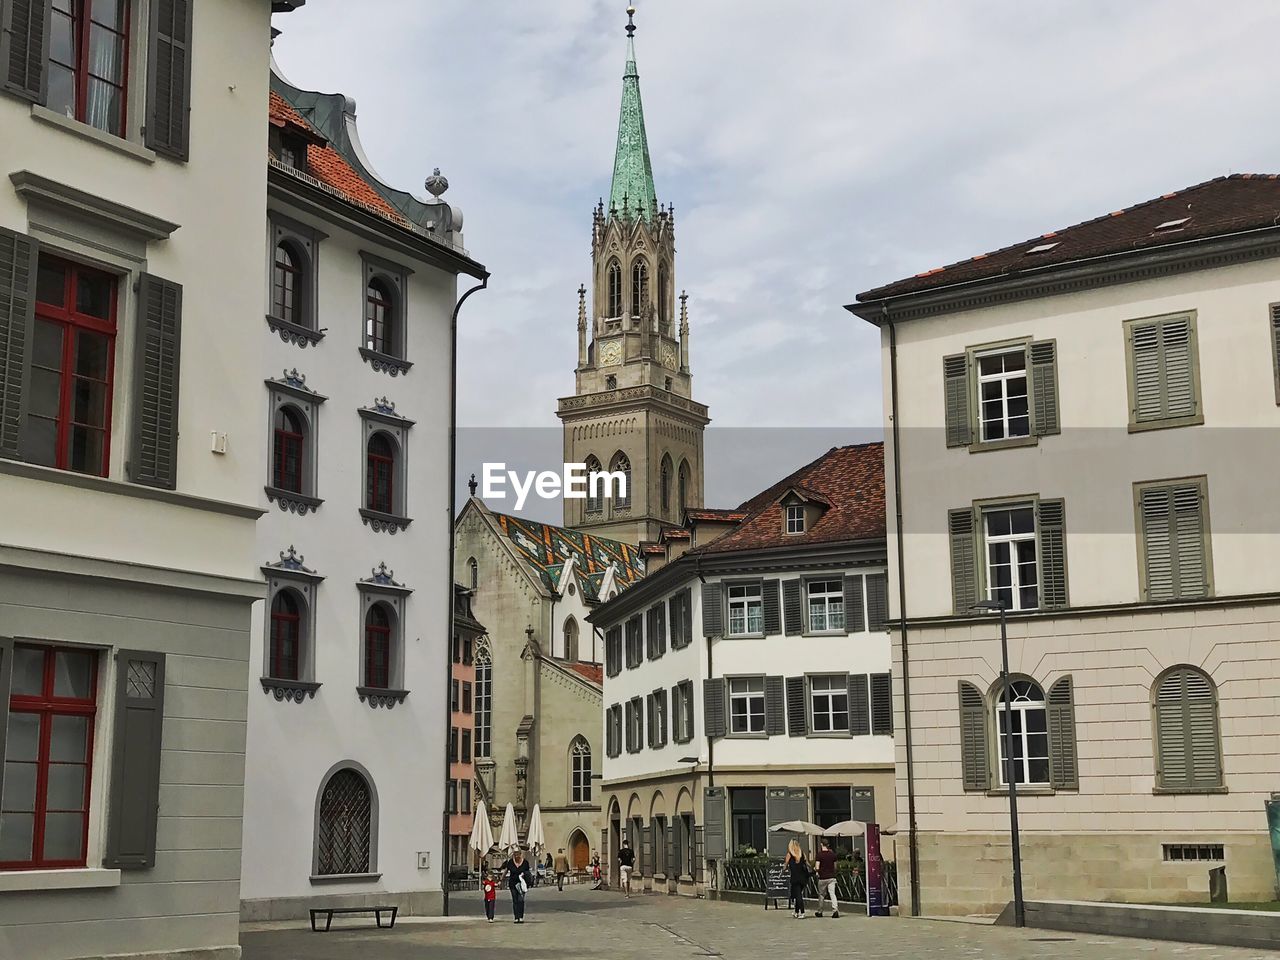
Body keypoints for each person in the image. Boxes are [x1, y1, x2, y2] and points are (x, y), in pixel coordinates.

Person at [501, 849, 535, 923]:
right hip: (513, 884)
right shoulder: (510, 862)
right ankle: (516, 917)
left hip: (522, 884)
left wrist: (528, 880)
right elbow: (506, 870)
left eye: (518, 854)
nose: (516, 856)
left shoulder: (525, 862)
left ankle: (521, 917)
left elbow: (528, 872)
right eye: (515, 854)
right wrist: (501, 879)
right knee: (515, 900)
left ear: (520, 854)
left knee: (521, 900)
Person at [784, 838, 812, 918]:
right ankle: (796, 912)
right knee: (798, 894)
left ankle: (802, 912)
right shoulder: (802, 853)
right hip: (803, 877)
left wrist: (784, 869)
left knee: (798, 895)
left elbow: (785, 865)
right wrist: (813, 869)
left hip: (795, 878)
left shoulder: (790, 854)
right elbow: (807, 863)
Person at [813, 838, 839, 919]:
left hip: (822, 878)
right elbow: (835, 867)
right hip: (832, 877)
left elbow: (817, 867)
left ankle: (820, 911)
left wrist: (815, 869)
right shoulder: (833, 855)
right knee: (832, 894)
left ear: (821, 844)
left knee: (821, 895)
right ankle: (835, 910)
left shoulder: (819, 855)